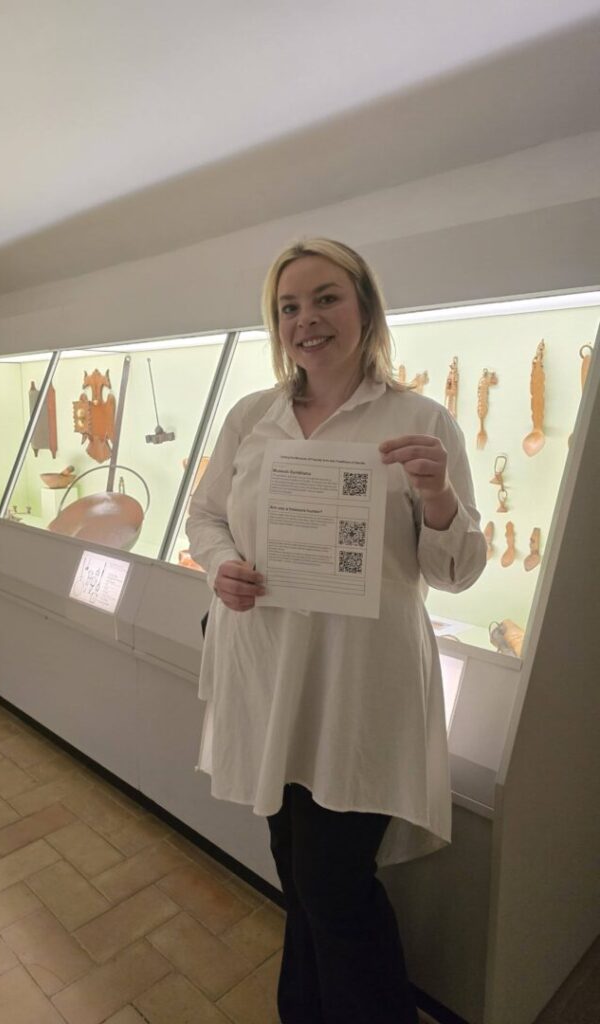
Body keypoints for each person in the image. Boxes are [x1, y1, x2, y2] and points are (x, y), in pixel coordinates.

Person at [185, 238, 487, 1024]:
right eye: (289, 307)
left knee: (333, 883)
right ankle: (304, 1008)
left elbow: (457, 572)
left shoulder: (420, 420)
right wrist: (221, 564)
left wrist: (439, 495)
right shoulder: (252, 417)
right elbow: (205, 515)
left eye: (326, 299)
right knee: (295, 865)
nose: (306, 320)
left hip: (359, 687)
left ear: (365, 307)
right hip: (268, 675)